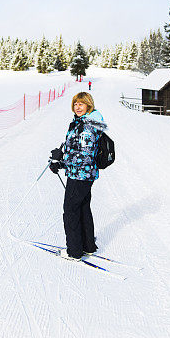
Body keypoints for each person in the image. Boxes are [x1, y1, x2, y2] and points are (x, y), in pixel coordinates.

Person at [49, 92, 106, 261]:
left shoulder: (88, 125)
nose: (77, 107)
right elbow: (75, 148)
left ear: (89, 105)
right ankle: (88, 246)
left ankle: (74, 251)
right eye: (75, 104)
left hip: (80, 174)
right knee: (82, 208)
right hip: (82, 173)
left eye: (81, 104)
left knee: (71, 210)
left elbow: (84, 153)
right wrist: (60, 158)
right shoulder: (80, 122)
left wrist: (62, 160)